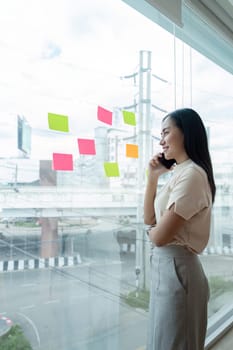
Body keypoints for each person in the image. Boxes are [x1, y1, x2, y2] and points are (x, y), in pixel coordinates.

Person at [144, 108, 216, 350]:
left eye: (166, 132)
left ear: (186, 133)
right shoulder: (179, 173)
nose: (161, 141)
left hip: (178, 269)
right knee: (162, 341)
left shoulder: (193, 175)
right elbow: (149, 218)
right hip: (167, 269)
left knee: (175, 344)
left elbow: (160, 236)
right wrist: (152, 178)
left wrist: (152, 232)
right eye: (160, 135)